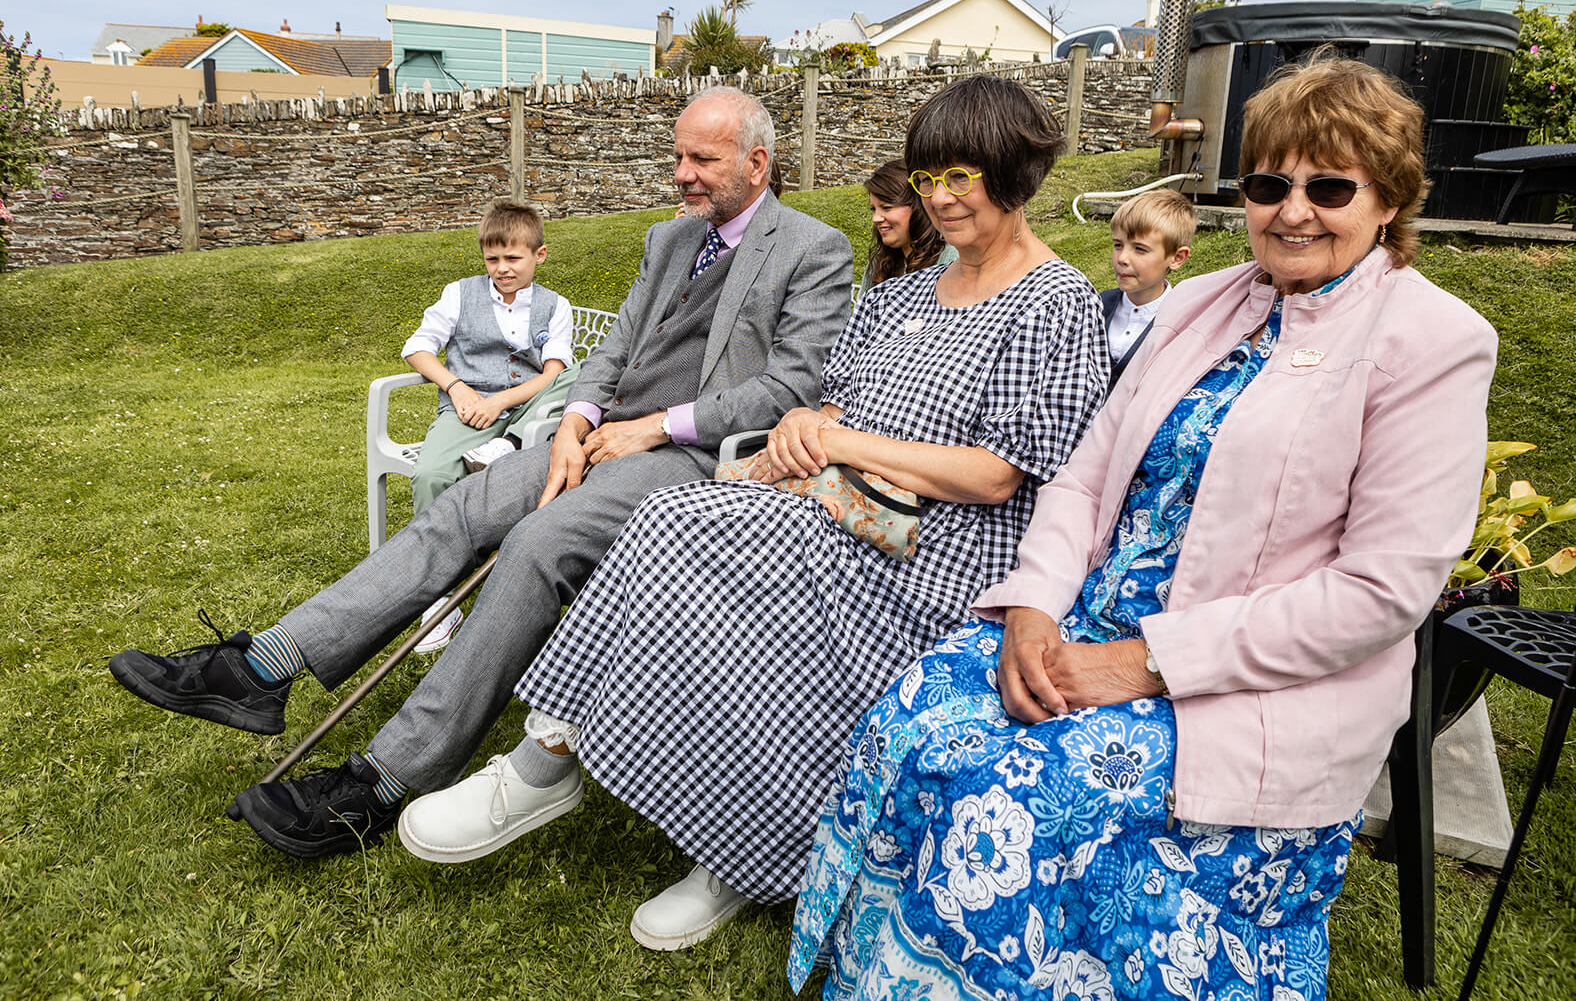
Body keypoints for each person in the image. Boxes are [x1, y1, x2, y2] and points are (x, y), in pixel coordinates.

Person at [788, 51, 1498, 1001]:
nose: (1291, 210)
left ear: (1389, 198)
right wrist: (1035, 608)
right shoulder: (1206, 303)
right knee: (914, 715)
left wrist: (1138, 665)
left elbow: (1378, 594)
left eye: (1328, 185)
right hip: (1087, 624)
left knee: (1020, 797)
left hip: (1240, 689)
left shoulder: (1434, 342)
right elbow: (1085, 477)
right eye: (1266, 182)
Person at [395, 76, 1110, 954]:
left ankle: (727, 852)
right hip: (838, 507)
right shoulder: (905, 293)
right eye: (930, 178)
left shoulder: (1056, 300)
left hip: (938, 551)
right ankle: (549, 758)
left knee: (717, 560)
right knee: (672, 519)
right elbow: (832, 401)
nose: (943, 198)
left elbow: (1000, 474)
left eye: (964, 176)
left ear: (1018, 175)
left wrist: (843, 446)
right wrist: (813, 425)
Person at [107, 85, 855, 860]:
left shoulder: (813, 249)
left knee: (535, 543)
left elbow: (790, 388)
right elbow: (612, 354)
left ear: (757, 162)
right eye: (677, 156)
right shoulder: (668, 243)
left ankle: (385, 778)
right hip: (603, 439)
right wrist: (575, 423)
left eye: (701, 158)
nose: (681, 174)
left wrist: (654, 428)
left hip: (697, 461)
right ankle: (260, 668)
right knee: (462, 509)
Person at [399, 199, 579, 652]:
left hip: (529, 409)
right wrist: (457, 388)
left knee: (576, 374)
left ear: (539, 255)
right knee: (431, 474)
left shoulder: (557, 307)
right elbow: (417, 350)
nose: (501, 268)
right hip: (469, 407)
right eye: (492, 259)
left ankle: (508, 445)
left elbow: (553, 373)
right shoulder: (459, 293)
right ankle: (439, 595)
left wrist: (504, 402)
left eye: (512, 258)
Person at [1100, 188, 1194, 388]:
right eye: (1118, 245)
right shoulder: (1096, 306)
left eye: (1140, 249)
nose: (1122, 259)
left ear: (1177, 258)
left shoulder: (1183, 323)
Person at [858, 158, 956, 296]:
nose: (876, 218)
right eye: (873, 209)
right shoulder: (879, 263)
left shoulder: (949, 256)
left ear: (918, 206)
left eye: (886, 208)